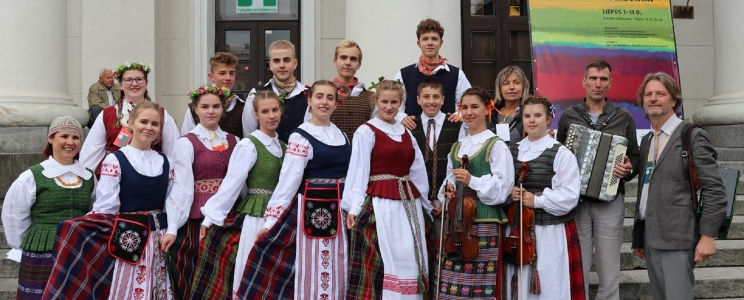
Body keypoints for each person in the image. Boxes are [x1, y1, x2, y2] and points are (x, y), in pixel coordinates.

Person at [43, 101, 177, 300]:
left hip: (161, 237)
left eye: (155, 124)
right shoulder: (115, 160)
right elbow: (107, 205)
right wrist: (78, 227)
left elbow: (172, 200)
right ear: (130, 123)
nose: (149, 128)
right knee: (129, 288)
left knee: (159, 288)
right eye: (144, 121)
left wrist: (173, 228)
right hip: (128, 236)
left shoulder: (166, 162)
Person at [236, 80, 350, 299]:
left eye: (329, 98)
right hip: (312, 211)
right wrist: (271, 221)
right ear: (309, 101)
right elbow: (288, 182)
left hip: (341, 213)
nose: (324, 102)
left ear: (336, 103)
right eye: (319, 97)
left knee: (338, 266)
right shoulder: (301, 136)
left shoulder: (341, 135)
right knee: (313, 268)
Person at [631, 72, 726, 300]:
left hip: (678, 238)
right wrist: (640, 236)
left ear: (673, 99)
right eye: (648, 94)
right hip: (651, 238)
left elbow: (715, 189)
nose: (653, 98)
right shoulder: (647, 140)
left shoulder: (691, 135)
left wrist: (708, 236)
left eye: (660, 94)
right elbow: (647, 190)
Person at [555, 60, 638, 299]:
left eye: (603, 79)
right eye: (593, 78)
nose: (597, 84)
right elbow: (559, 154)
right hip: (575, 202)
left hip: (610, 201)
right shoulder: (569, 116)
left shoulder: (623, 117)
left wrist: (628, 170)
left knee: (609, 266)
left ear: (610, 83)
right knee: (577, 263)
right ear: (584, 82)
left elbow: (635, 156)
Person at [344, 80, 431, 299]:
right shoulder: (366, 131)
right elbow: (358, 170)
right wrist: (354, 207)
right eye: (384, 102)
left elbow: (417, 170)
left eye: (394, 102)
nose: (389, 107)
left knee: (410, 253)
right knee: (388, 256)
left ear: (401, 103)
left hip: (409, 204)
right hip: (382, 204)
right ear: (376, 101)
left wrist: (427, 205)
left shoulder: (406, 132)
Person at [198, 90, 286, 299]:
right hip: (256, 215)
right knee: (254, 268)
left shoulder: (283, 146)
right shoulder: (249, 144)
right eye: (265, 111)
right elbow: (233, 183)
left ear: (281, 111)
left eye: (275, 110)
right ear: (256, 115)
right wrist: (210, 217)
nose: (271, 115)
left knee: (277, 273)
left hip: (280, 215)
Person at [2, 116, 94, 300]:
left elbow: (95, 211)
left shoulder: (89, 176)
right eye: (64, 136)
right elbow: (14, 215)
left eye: (75, 137)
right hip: (42, 251)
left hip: (78, 249)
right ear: (51, 138)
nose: (70, 142)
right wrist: (26, 243)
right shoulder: (32, 176)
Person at [161, 85, 238, 299]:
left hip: (228, 217)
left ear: (223, 108)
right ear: (196, 109)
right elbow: (182, 187)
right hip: (198, 216)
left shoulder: (234, 141)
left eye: (215, 106)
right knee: (196, 270)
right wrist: (174, 227)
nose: (210, 111)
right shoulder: (187, 142)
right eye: (204, 107)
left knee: (226, 271)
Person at [437, 87, 514, 299]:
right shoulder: (456, 147)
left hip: (485, 222)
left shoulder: (496, 145)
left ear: (488, 109)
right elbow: (449, 180)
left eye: (474, 107)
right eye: (464, 107)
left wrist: (473, 180)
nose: (469, 112)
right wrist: (448, 189)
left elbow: (504, 186)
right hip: (456, 226)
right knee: (451, 288)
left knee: (483, 289)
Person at [506, 96, 584, 299]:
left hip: (550, 230)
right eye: (527, 116)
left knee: (550, 282)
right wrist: (511, 192)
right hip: (518, 230)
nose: (532, 120)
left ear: (549, 119)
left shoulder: (560, 153)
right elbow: (502, 184)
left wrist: (537, 200)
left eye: (538, 115)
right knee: (520, 283)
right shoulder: (512, 151)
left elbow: (570, 195)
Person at [408, 75, 465, 291]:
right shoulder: (409, 126)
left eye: (435, 97)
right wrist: (423, 202)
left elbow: (456, 165)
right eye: (426, 97)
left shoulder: (457, 126)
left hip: (445, 203)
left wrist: (442, 200)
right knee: (419, 253)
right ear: (418, 99)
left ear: (443, 99)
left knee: (444, 256)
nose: (431, 101)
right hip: (418, 203)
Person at [80, 61, 179, 176]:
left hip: (151, 174)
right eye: (128, 80)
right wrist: (85, 181)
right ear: (121, 85)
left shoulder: (162, 114)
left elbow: (173, 153)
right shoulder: (107, 115)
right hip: (116, 176)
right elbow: (92, 152)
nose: (134, 83)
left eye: (139, 79)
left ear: (146, 83)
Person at [395, 18, 471, 117]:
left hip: (447, 131)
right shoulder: (404, 74)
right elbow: (395, 105)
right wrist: (402, 118)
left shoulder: (456, 74)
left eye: (434, 39)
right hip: (413, 131)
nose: (430, 43)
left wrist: (458, 116)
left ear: (441, 43)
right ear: (418, 43)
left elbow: (468, 103)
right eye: (425, 39)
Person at [244, 40, 310, 142]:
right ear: (270, 65)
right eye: (276, 61)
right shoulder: (255, 94)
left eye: (286, 60)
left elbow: (311, 133)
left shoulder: (308, 94)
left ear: (295, 63)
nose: (282, 65)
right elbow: (249, 134)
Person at [181, 52, 252, 138]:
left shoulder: (242, 107)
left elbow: (248, 139)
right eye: (222, 73)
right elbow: (187, 139)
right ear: (211, 76)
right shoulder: (194, 108)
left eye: (231, 73)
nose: (228, 78)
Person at [329, 39, 376, 141]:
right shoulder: (322, 95)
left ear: (359, 64)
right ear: (335, 62)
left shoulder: (371, 97)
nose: (348, 63)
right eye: (343, 58)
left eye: (353, 59)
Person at [488, 65, 530, 147]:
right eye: (506, 83)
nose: (511, 87)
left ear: (523, 87)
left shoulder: (529, 113)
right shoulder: (490, 113)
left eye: (516, 83)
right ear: (499, 89)